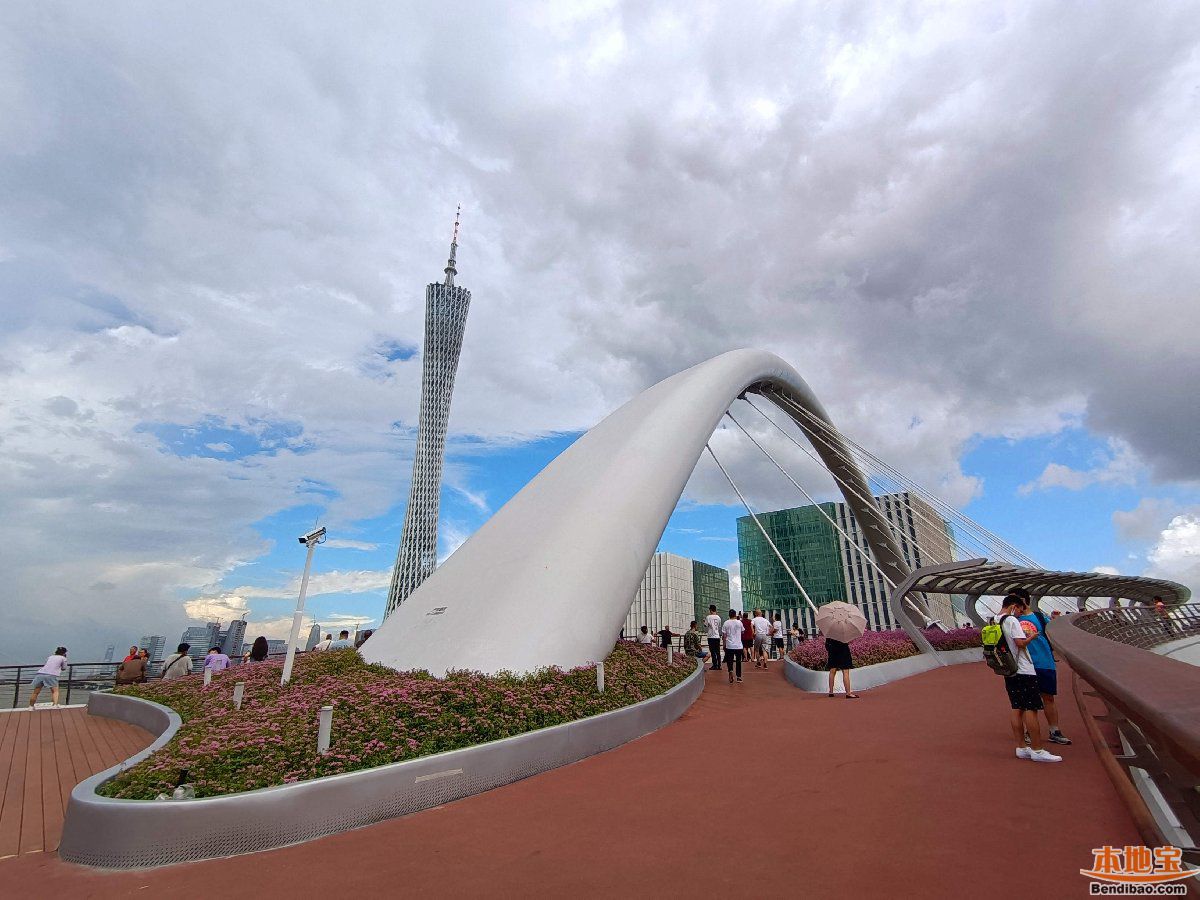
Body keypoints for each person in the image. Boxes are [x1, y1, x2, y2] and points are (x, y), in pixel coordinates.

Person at [997, 593, 1061, 763]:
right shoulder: (1011, 620)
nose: (1020, 613)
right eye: (1019, 609)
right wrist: (1032, 637)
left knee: (1016, 707)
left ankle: (1021, 747)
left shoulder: (994, 620)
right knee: (1031, 709)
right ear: (1013, 606)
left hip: (1009, 670)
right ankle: (1037, 749)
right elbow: (1020, 643)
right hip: (1024, 669)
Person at [1018, 593, 1071, 746]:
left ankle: (1054, 731)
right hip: (1025, 665)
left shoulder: (1040, 617)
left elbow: (1056, 631)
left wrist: (1057, 621)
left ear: (1024, 601)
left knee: (1048, 698)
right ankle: (1030, 731)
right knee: (1028, 700)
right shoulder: (1013, 620)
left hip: (1044, 662)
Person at [721, 608, 744, 683]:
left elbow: (724, 635)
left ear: (729, 615)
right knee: (738, 661)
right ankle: (739, 677)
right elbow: (743, 632)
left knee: (729, 660)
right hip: (738, 645)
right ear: (735, 615)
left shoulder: (726, 623)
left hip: (729, 645)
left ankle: (730, 671)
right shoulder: (739, 622)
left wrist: (724, 644)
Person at [705, 604, 723, 670]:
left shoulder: (708, 617)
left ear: (710, 610)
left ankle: (715, 665)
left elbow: (706, 625)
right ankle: (719, 665)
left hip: (711, 636)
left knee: (712, 651)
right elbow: (719, 626)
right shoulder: (718, 617)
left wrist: (704, 621)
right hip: (717, 636)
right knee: (718, 651)